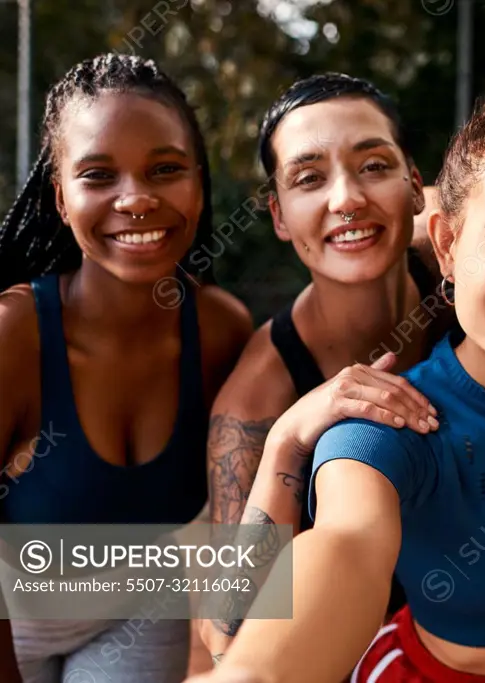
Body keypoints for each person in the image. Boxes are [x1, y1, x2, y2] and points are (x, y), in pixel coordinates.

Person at [187, 84, 485, 683]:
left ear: (410, 191)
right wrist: (288, 441)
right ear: (450, 245)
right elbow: (340, 550)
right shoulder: (344, 414)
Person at [0, 53, 252, 682]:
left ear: (199, 181)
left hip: (141, 606)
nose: (136, 199)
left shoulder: (222, 330)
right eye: (98, 175)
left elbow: (253, 541)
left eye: (165, 169)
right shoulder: (14, 334)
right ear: (61, 198)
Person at [200, 73, 449, 662]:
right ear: (280, 215)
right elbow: (223, 635)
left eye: (373, 166)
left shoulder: (462, 264)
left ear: (414, 186)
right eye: (309, 179)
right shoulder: (258, 397)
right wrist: (289, 437)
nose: (347, 199)